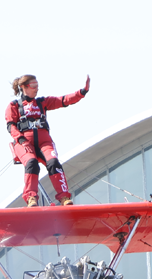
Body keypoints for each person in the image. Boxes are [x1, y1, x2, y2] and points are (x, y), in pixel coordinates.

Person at [5, 74, 90, 207]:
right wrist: (21, 140)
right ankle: (31, 198)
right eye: (33, 86)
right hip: (24, 143)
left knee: (54, 163)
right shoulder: (14, 105)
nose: (36, 89)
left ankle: (64, 198)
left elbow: (63, 100)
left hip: (44, 142)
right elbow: (10, 126)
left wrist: (82, 92)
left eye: (37, 86)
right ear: (23, 87)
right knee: (32, 163)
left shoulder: (42, 102)